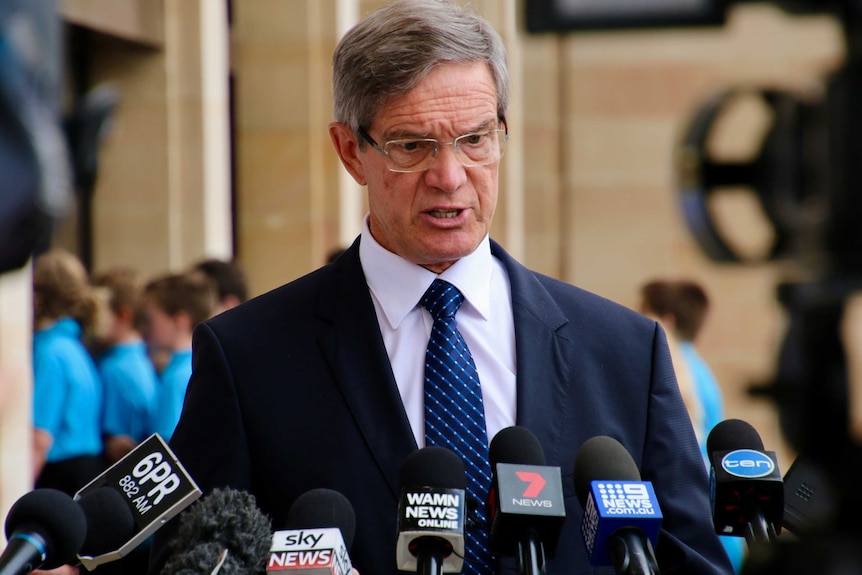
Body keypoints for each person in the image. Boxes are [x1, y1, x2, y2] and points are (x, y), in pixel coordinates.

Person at [149, 2, 733, 574]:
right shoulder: (249, 358)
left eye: (475, 139)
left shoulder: (627, 353)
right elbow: (191, 556)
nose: (449, 177)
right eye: (412, 146)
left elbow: (693, 560)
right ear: (351, 151)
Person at [639, 278, 746, 573]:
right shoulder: (699, 367)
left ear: (667, 322)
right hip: (719, 525)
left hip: (701, 524)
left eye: (643, 314)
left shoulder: (671, 363)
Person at [32, 249, 105, 495]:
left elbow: (39, 437)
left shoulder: (50, 351)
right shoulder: (76, 347)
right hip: (84, 470)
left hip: (58, 477)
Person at [91, 267, 159, 464]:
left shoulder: (115, 369)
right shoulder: (144, 360)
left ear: (123, 315)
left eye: (98, 310)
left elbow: (116, 444)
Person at [141, 271, 215, 443]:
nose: (145, 326)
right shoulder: (200, 364)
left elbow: (167, 445)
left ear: (180, 320)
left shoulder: (175, 377)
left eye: (151, 318)